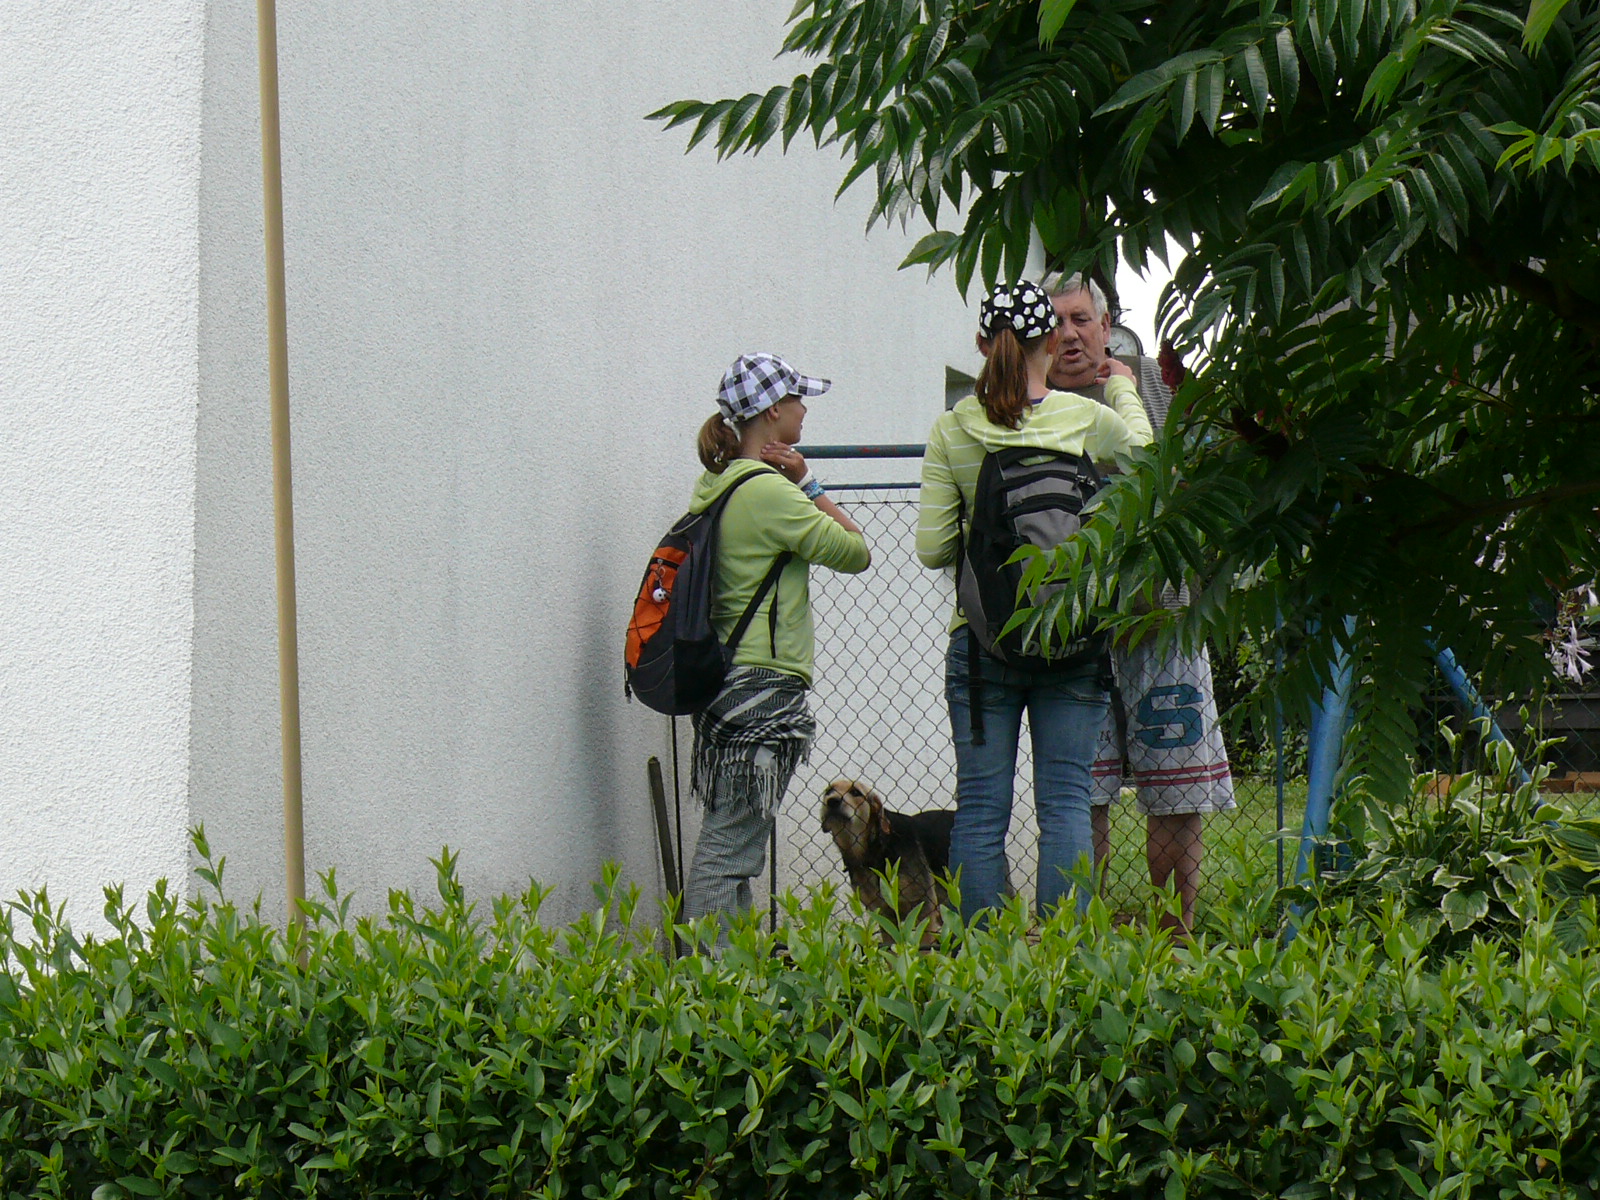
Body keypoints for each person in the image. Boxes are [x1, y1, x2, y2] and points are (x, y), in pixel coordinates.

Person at [916, 283, 1153, 924]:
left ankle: (986, 960)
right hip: (1072, 640)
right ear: (1051, 341)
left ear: (981, 344)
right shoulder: (1082, 419)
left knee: (981, 808)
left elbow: (932, 549)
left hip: (982, 643)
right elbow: (1146, 460)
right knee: (1067, 802)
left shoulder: (952, 429)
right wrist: (1122, 387)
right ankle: (1065, 960)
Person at [1039, 270, 1236, 933]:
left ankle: (1173, 935)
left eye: (1081, 319)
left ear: (1105, 323)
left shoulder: (1151, 381)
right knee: (1080, 796)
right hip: (1074, 633)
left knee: (1177, 793)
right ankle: (1083, 937)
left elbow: (1199, 473)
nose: (1069, 334)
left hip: (1165, 621)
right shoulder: (1032, 399)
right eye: (1056, 322)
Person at [682, 353, 871, 939]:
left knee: (733, 841)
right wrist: (809, 485)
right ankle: (705, 976)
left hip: (728, 685)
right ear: (770, 411)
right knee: (729, 850)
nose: (803, 408)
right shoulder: (767, 492)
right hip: (763, 691)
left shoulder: (716, 485)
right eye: (795, 398)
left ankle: (732, 969)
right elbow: (855, 550)